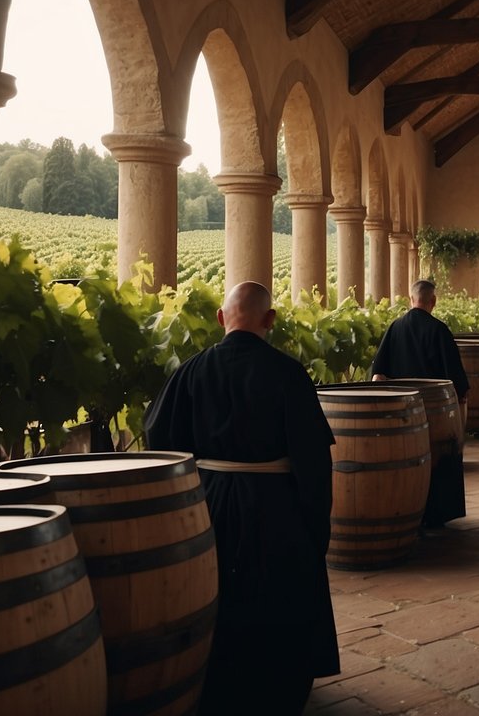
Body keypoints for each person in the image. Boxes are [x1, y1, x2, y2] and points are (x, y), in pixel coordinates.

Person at [144, 281, 338, 715]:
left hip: (208, 502)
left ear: (220, 318)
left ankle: (219, 686)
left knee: (219, 592)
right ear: (270, 320)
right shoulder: (288, 373)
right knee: (279, 591)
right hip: (276, 505)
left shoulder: (190, 371)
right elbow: (312, 459)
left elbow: (157, 435)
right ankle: (278, 688)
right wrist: (315, 524)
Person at [371, 278, 469, 527]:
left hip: (401, 411)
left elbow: (378, 372)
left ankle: (405, 508)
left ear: (410, 299)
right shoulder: (439, 330)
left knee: (406, 461)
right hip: (434, 409)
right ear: (433, 301)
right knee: (437, 460)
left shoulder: (395, 327)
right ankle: (435, 515)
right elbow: (455, 377)